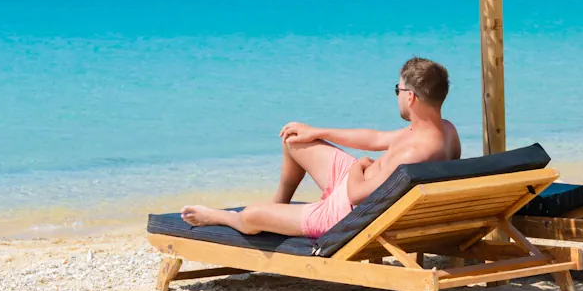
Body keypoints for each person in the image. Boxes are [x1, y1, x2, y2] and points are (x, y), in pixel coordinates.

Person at [180, 57, 460, 238]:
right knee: (294, 140)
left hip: (343, 212)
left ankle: (226, 218)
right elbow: (376, 139)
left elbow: (358, 195)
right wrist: (318, 131)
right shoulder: (445, 132)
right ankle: (278, 208)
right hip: (362, 184)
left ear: (410, 97)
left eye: (397, 90)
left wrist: (361, 165)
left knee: (251, 215)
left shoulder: (415, 154)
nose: (396, 96)